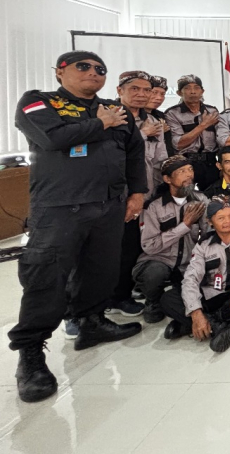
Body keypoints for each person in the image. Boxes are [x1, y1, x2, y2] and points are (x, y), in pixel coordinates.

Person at [11, 51, 146, 403]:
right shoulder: (39, 102)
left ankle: (91, 323)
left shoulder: (114, 110)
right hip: (59, 208)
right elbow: (52, 139)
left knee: (100, 270)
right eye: (83, 67)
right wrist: (101, 125)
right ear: (60, 72)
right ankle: (31, 354)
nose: (93, 73)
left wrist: (137, 193)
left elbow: (134, 152)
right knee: (46, 278)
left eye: (100, 69)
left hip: (109, 206)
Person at [160, 195, 230, 352]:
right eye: (221, 218)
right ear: (210, 221)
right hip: (211, 294)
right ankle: (220, 325)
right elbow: (191, 278)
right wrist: (196, 312)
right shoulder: (203, 245)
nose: (228, 221)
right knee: (168, 299)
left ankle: (190, 324)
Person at [107, 70, 167, 318]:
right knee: (106, 249)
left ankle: (123, 293)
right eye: (135, 89)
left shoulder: (152, 121)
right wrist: (142, 134)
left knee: (132, 246)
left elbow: (159, 160)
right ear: (120, 90)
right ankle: (100, 301)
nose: (142, 94)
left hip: (144, 196)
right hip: (112, 196)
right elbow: (108, 152)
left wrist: (162, 191)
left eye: (146, 90)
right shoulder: (108, 116)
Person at [133, 155, 208, 324]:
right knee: (154, 273)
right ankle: (152, 301)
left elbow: (208, 234)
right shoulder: (153, 207)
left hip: (188, 262)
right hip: (160, 259)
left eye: (190, 170)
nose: (189, 175)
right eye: (182, 171)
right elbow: (149, 246)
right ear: (167, 179)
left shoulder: (201, 200)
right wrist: (185, 225)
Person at [165, 74, 220, 189]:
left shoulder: (212, 111)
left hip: (210, 162)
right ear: (179, 93)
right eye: (187, 88)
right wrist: (203, 125)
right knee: (185, 195)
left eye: (196, 88)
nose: (193, 92)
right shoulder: (172, 113)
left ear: (202, 91)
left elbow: (219, 138)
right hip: (185, 162)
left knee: (212, 195)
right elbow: (178, 144)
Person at [146, 75, 175, 156]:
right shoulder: (130, 114)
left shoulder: (161, 115)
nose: (159, 98)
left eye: (162, 94)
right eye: (154, 92)